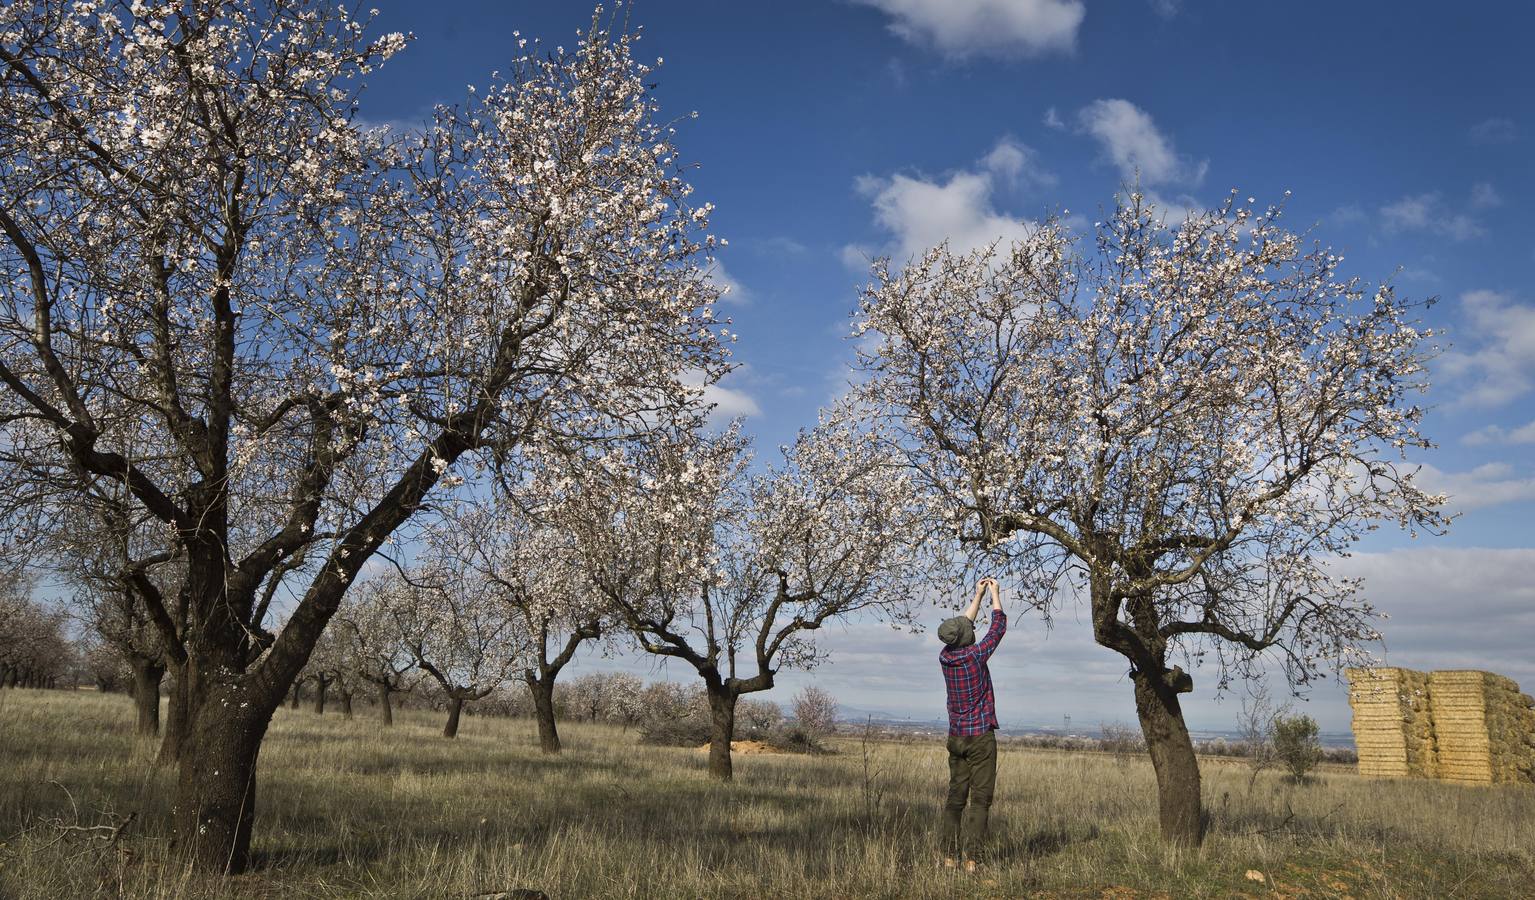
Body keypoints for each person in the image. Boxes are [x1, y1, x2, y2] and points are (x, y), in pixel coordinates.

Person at [937, 577, 1006, 872]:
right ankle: (972, 859)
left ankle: (949, 856)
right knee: (979, 800)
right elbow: (998, 628)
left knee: (955, 798)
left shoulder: (945, 656)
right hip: (979, 738)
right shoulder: (976, 656)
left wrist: (977, 594)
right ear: (966, 638)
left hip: (956, 737)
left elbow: (963, 625)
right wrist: (995, 595)